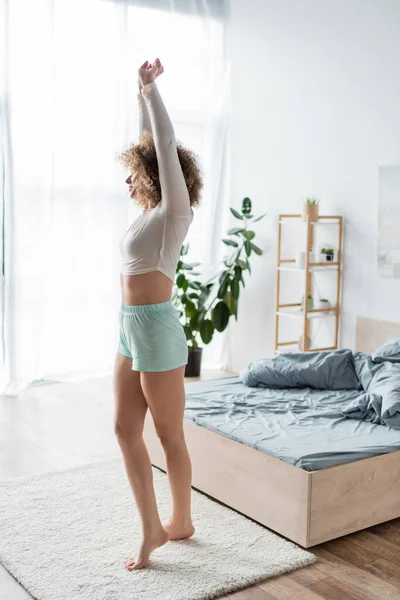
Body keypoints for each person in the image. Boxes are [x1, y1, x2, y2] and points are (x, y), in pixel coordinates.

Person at [113, 58, 203, 571]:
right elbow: (149, 147)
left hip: (158, 330)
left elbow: (162, 150)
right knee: (125, 430)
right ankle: (152, 527)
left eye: (134, 174)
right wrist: (137, 94)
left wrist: (153, 92)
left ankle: (181, 520)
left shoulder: (175, 215)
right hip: (128, 328)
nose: (128, 181)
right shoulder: (146, 216)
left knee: (169, 436)